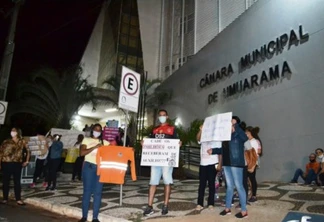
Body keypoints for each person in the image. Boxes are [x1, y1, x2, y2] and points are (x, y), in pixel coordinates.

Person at [143, 109, 181, 216]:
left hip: (167, 161)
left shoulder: (172, 129)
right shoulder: (154, 130)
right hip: (155, 160)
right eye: (160, 115)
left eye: (164, 115)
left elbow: (177, 142)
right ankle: (149, 206)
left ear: (167, 116)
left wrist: (179, 143)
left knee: (167, 181)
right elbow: (150, 142)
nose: (162, 117)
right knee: (153, 182)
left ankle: (165, 205)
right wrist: (144, 143)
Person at [209, 116, 248, 219]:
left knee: (239, 186)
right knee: (229, 186)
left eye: (232, 124)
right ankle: (227, 208)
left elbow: (245, 138)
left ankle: (244, 211)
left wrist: (236, 126)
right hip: (227, 164)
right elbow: (223, 150)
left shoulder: (239, 136)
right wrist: (213, 151)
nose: (230, 125)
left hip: (236, 163)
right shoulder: (226, 137)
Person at [79, 123, 109, 222]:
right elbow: (82, 153)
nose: (97, 131)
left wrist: (129, 150)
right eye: (96, 129)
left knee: (98, 193)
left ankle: (95, 217)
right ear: (92, 130)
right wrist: (95, 147)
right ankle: (84, 216)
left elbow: (115, 152)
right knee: (87, 192)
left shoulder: (105, 142)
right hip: (89, 167)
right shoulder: (86, 140)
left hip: (100, 169)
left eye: (99, 130)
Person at [0, 128, 30, 205]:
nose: (12, 132)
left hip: (17, 164)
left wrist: (26, 161)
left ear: (18, 132)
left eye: (14, 131)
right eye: (12, 131)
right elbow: (1, 152)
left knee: (17, 182)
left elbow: (28, 151)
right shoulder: (6, 141)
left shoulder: (22, 141)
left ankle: (18, 199)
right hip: (6, 163)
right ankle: (5, 198)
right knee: (6, 181)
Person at [195, 124, 222, 210]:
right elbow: (198, 139)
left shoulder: (217, 138)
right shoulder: (203, 136)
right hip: (203, 163)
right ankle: (200, 203)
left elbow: (220, 152)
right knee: (202, 184)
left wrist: (220, 164)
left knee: (211, 184)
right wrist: (201, 130)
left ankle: (211, 203)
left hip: (213, 163)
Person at [244, 126, 262, 202]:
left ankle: (253, 195)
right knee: (249, 179)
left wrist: (253, 165)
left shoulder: (254, 141)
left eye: (246, 132)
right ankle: (251, 193)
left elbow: (255, 154)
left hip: (252, 163)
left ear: (249, 133)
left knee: (251, 179)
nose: (245, 134)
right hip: (248, 163)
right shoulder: (250, 141)